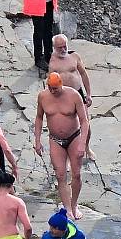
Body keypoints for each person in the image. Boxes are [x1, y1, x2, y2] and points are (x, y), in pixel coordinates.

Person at [34, 72, 90, 219]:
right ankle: (67, 208)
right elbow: (39, 118)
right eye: (50, 88)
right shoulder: (43, 96)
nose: (53, 91)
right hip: (55, 139)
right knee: (60, 174)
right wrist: (37, 140)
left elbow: (84, 121)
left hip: (74, 137)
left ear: (61, 84)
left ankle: (74, 204)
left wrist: (83, 144)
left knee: (76, 174)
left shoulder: (73, 95)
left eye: (55, 88)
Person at [49, 35, 96, 160]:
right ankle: (69, 157)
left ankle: (87, 147)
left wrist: (89, 94)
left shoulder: (74, 56)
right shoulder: (51, 61)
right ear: (54, 47)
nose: (63, 49)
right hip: (63, 95)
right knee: (67, 128)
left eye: (65, 46)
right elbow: (49, 83)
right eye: (60, 47)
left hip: (78, 92)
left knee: (86, 123)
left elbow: (84, 74)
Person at [21, 0, 59, 69]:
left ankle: (49, 55)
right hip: (37, 3)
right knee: (39, 31)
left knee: (48, 29)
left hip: (49, 1)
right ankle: (39, 58)